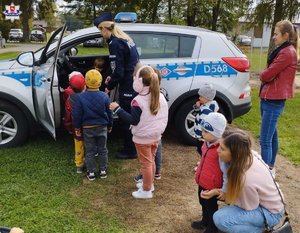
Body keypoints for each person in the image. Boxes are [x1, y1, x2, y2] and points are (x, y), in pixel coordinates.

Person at [110, 64, 168, 199]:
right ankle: (150, 184)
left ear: (140, 82)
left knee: (146, 163)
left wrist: (117, 109)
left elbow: (133, 120)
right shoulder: (160, 96)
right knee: (151, 160)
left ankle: (146, 190)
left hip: (143, 138)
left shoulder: (138, 101)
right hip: (156, 135)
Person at [212, 130, 284, 233]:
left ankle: (260, 231)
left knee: (221, 219)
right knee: (227, 213)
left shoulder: (246, 178)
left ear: (235, 153)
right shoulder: (249, 154)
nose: (217, 150)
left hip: (271, 213)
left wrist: (223, 194)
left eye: (222, 148)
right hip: (269, 203)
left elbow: (249, 206)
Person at [94, 12, 139, 159]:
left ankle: (130, 150)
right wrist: (111, 76)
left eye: (101, 31)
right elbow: (120, 67)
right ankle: (130, 146)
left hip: (128, 83)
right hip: (132, 80)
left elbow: (118, 71)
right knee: (130, 114)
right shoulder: (125, 38)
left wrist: (109, 86)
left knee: (126, 117)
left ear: (105, 29)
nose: (101, 34)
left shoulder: (115, 43)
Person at [259, 20, 298, 176]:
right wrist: (266, 75)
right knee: (271, 135)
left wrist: (264, 74)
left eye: (276, 34)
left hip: (273, 101)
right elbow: (270, 74)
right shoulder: (283, 50)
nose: (273, 37)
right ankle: (270, 168)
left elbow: (267, 74)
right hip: (269, 98)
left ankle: (264, 175)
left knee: (265, 140)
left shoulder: (287, 52)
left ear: (286, 35)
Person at [72, 69, 113, 181]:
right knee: (102, 149)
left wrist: (77, 128)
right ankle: (103, 170)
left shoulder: (80, 97)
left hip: (87, 128)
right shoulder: (105, 96)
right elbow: (109, 112)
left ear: (86, 82)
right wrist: (110, 125)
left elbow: (77, 115)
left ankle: (91, 173)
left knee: (90, 151)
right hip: (102, 127)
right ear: (100, 82)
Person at [192, 112, 227, 233]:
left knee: (211, 207)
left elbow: (227, 171)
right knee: (202, 202)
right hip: (202, 181)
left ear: (217, 133)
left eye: (206, 131)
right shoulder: (206, 143)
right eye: (202, 130)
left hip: (212, 186)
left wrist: (224, 189)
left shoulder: (221, 150)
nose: (203, 133)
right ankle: (204, 221)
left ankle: (212, 227)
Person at [63, 72, 86, 173]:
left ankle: (79, 166)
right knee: (90, 145)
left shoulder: (69, 99)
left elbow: (68, 117)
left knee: (78, 146)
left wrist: (69, 128)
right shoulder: (88, 97)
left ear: (71, 87)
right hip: (89, 127)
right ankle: (91, 162)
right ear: (85, 85)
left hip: (77, 129)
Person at [193, 83, 219, 171]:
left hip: (202, 136)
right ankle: (202, 160)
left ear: (207, 98)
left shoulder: (206, 111)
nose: (199, 98)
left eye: (201, 96)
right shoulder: (207, 105)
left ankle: (203, 165)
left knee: (202, 150)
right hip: (203, 135)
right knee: (202, 150)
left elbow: (204, 125)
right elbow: (199, 111)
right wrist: (197, 107)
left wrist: (201, 135)